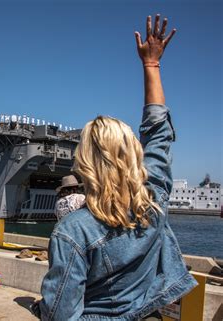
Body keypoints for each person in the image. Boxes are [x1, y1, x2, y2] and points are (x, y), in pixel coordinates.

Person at [36, 15, 197, 320]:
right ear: (133, 154)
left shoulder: (73, 231)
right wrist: (152, 65)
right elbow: (159, 132)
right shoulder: (153, 202)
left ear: (85, 163)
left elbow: (61, 315)